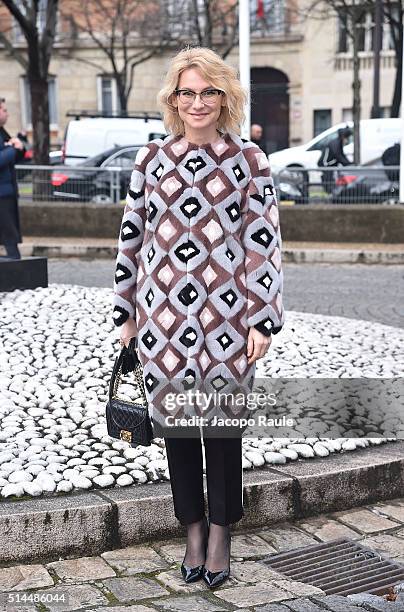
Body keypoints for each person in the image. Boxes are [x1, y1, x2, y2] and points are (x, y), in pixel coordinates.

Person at [112, 46, 285, 588]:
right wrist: (125, 310)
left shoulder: (249, 160)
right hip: (162, 319)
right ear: (173, 99)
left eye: (208, 91)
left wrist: (262, 318)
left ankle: (220, 534)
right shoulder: (151, 160)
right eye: (187, 92)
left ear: (225, 97)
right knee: (179, 433)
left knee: (222, 432)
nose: (197, 102)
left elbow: (264, 242)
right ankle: (191, 530)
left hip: (228, 322)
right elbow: (130, 237)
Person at [0, 97, 25, 259]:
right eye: (4, 110)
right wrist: (13, 149)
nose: (7, 114)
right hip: (1, 194)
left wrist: (20, 147)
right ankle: (19, 273)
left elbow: (15, 159)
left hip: (6, 191)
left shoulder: (3, 132)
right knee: (9, 235)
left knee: (10, 235)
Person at [318, 126, 353, 194]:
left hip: (330, 165)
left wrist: (349, 163)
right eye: (347, 138)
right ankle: (331, 194)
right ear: (343, 137)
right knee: (329, 180)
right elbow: (338, 156)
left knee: (333, 179)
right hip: (326, 164)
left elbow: (342, 155)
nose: (347, 140)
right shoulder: (335, 143)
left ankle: (332, 192)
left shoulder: (338, 143)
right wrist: (347, 164)